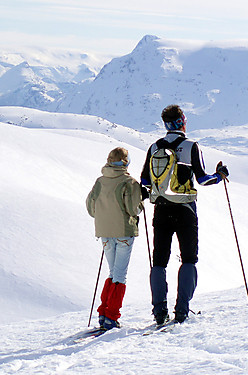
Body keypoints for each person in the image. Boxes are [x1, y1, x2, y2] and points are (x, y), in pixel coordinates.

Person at [140, 104, 229, 325]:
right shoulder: (191, 146)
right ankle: (182, 310)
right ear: (182, 122)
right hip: (186, 209)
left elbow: (144, 180)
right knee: (188, 258)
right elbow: (202, 179)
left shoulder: (154, 147)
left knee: (159, 261)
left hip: (161, 208)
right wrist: (219, 176)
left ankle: (159, 311)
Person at [86, 147, 144, 330]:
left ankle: (103, 313)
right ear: (126, 162)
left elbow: (90, 206)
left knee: (112, 273)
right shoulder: (129, 182)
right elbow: (133, 209)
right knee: (120, 275)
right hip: (123, 231)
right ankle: (112, 315)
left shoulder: (100, 181)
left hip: (104, 231)